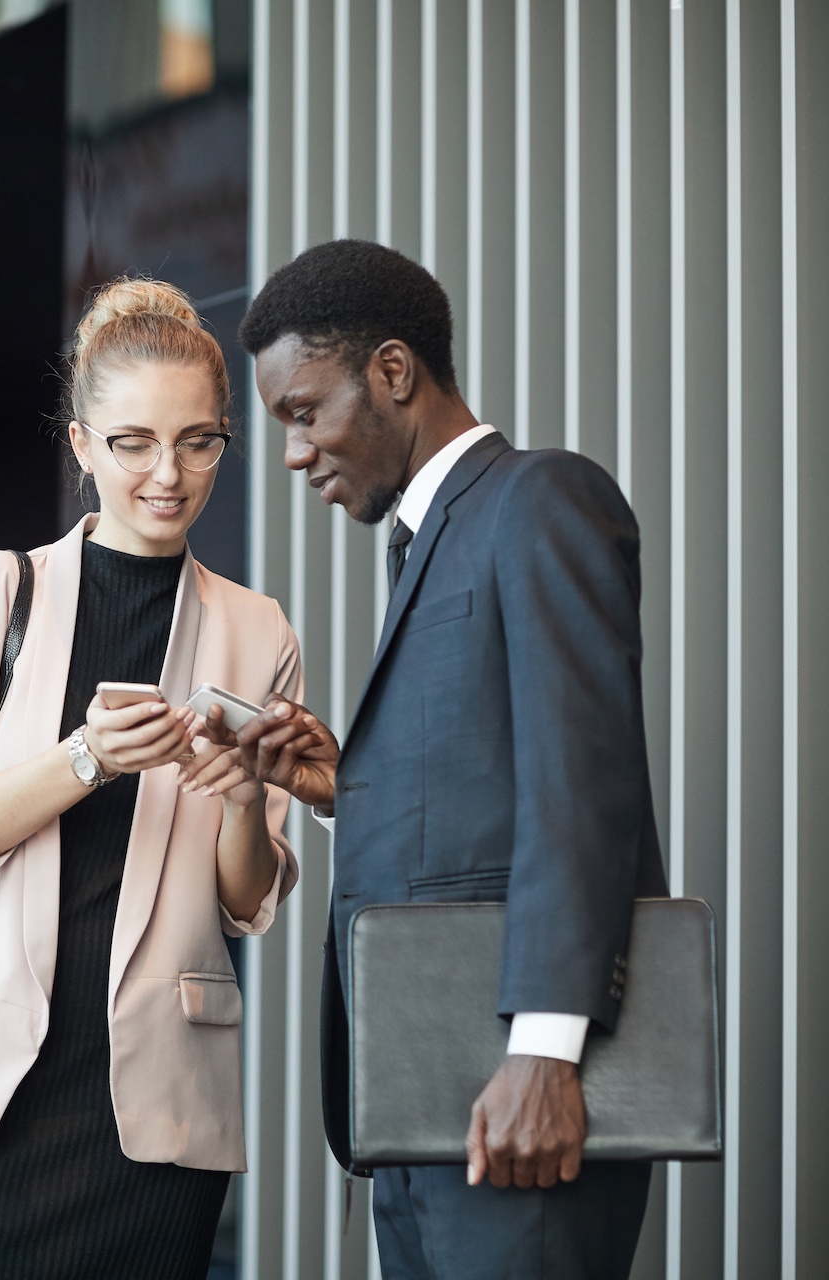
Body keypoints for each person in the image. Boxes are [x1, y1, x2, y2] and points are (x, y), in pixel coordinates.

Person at [232, 239, 668, 1280]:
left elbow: (583, 790)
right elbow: (483, 803)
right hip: (424, 1110)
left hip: (517, 1099)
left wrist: (544, 1052)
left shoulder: (540, 499)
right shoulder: (429, 543)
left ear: (393, 372)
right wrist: (345, 790)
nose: (294, 454)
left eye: (304, 410)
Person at [0, 279, 308, 1280]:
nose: (169, 473)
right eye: (134, 441)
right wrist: (87, 756)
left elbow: (248, 900)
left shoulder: (258, 628)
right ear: (80, 446)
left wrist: (244, 792)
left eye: (200, 440)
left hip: (150, 1111)